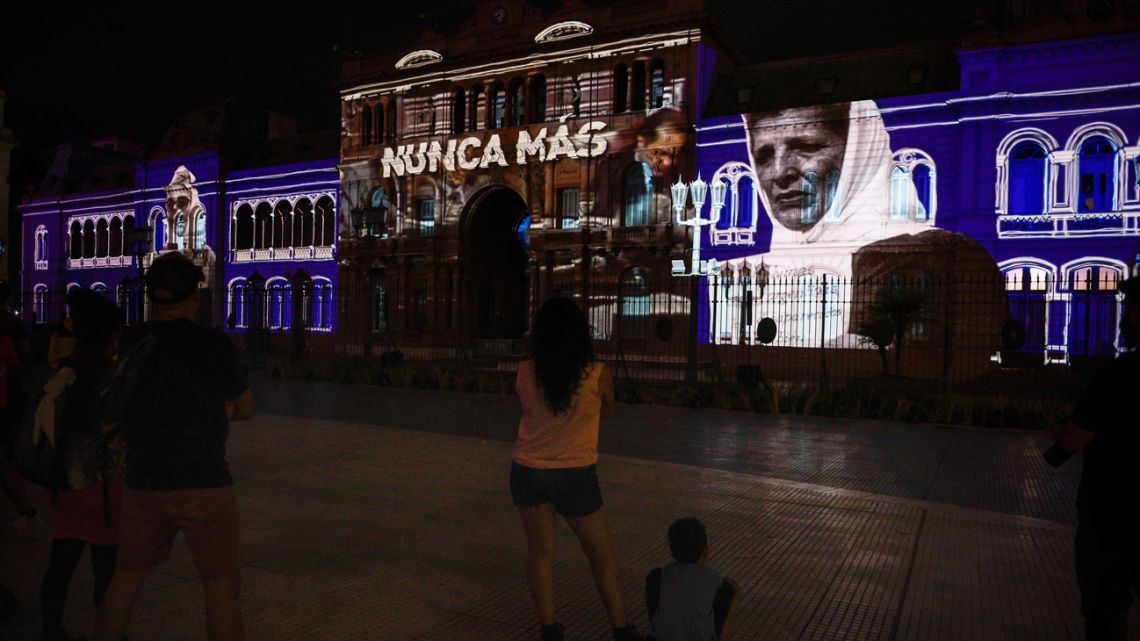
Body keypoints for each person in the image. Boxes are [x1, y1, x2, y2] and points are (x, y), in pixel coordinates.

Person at [94, 252, 253, 641]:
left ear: (152, 297)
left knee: (126, 579)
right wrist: (213, 409)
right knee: (220, 586)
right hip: (204, 481)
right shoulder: (215, 344)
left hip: (144, 480)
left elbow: (115, 404)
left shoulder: (133, 341)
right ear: (194, 295)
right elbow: (245, 408)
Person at [511, 297, 639, 641]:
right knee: (600, 554)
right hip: (575, 474)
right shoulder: (597, 374)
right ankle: (621, 629)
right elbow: (608, 413)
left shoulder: (524, 371)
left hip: (527, 470)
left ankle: (550, 630)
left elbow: (529, 408)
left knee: (541, 552)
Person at [1043, 275, 1140, 641]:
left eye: (1129, 307)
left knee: (1106, 612)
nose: (1124, 315)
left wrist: (1057, 427)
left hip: (1113, 514)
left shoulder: (1120, 376)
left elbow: (1073, 438)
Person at [38, 290, 125, 641]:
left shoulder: (66, 372)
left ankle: (51, 630)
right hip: (103, 490)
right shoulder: (110, 378)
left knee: (61, 564)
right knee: (106, 571)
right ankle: (108, 633)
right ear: (110, 336)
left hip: (65, 485)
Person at [645, 518, 738, 641]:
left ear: (672, 550)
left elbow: (654, 614)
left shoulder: (657, 577)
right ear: (705, 551)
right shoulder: (719, 584)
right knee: (732, 592)